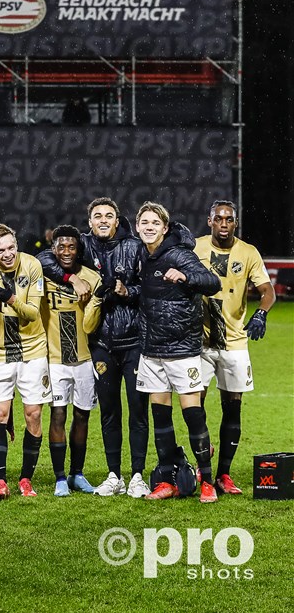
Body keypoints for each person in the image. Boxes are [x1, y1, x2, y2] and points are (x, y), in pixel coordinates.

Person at [37, 197, 150, 498]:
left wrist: (128, 291)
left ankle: (138, 474)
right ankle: (114, 475)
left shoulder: (134, 246)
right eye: (97, 215)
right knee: (109, 411)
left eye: (109, 215)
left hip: (133, 340)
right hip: (99, 342)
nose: (103, 220)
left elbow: (149, 286)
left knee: (138, 409)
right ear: (89, 222)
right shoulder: (82, 246)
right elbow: (47, 258)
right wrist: (71, 276)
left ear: (117, 220)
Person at [133, 202, 221, 503]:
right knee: (161, 418)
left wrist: (185, 277)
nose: (148, 227)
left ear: (165, 227)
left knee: (193, 415)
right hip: (152, 349)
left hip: (182, 349)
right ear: (136, 226)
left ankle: (207, 481)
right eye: (144, 222)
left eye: (154, 223)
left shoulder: (180, 254)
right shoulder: (142, 255)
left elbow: (212, 282)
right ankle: (167, 481)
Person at [195, 200, 275, 495]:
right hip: (200, 341)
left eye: (229, 219)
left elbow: (267, 290)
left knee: (233, 407)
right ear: (210, 221)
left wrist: (262, 312)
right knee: (195, 407)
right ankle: (201, 464)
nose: (224, 224)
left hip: (233, 341)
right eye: (219, 219)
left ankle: (223, 475)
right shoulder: (195, 247)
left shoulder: (248, 252)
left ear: (235, 223)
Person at [0, 224, 51, 499]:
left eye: (11, 247)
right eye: (0, 250)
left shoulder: (31, 265)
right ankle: (0, 481)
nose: (7, 254)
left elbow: (31, 313)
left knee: (33, 414)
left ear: (17, 244)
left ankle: (26, 479)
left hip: (32, 350)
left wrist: (9, 297)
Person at [38, 226, 103, 496]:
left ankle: (77, 473)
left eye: (71, 247)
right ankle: (60, 477)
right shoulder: (44, 274)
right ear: (54, 249)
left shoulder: (91, 278)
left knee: (82, 415)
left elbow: (90, 326)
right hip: (54, 359)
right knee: (58, 414)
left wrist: (94, 303)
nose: (66, 252)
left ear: (79, 250)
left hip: (84, 359)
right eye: (61, 247)